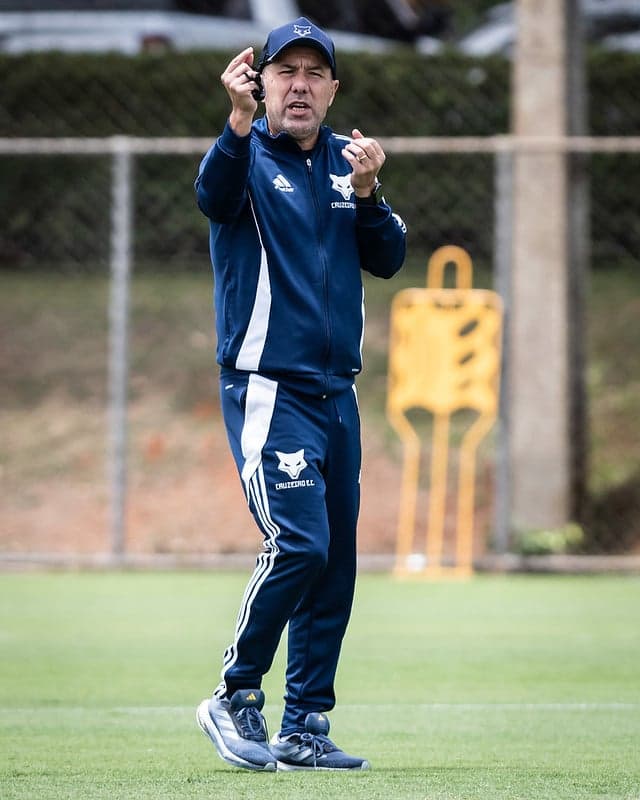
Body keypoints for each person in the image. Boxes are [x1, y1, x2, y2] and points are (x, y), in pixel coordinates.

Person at [194, 16, 407, 772]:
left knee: (335, 560)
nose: (302, 85)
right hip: (266, 388)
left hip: (336, 396)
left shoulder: (349, 169)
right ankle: (234, 692)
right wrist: (237, 122)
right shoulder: (245, 156)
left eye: (316, 74)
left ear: (333, 90)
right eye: (287, 71)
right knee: (301, 542)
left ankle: (306, 725)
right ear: (262, 80)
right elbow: (210, 196)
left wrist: (371, 189)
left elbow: (388, 257)